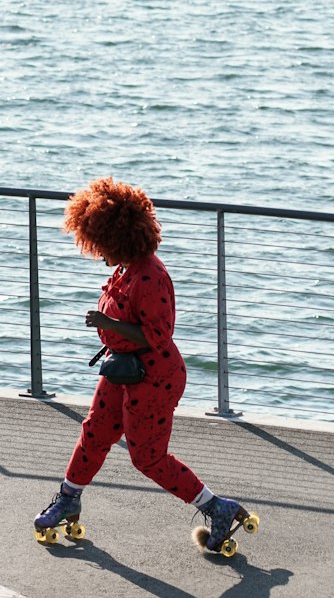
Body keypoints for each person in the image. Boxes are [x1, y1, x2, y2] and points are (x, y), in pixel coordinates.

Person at [34, 176, 256, 555]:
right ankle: (69, 497)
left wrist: (108, 325)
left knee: (147, 457)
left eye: (100, 245)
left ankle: (218, 508)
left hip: (155, 376)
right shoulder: (123, 269)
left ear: (118, 238)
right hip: (121, 368)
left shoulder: (151, 276)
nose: (98, 254)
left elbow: (158, 334)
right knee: (95, 432)